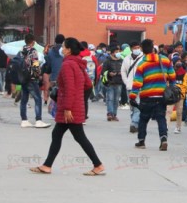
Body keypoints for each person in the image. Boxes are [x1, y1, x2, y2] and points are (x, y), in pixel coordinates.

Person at [29, 38, 105, 176]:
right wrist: (79, 99)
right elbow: (88, 85)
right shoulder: (79, 64)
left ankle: (98, 164)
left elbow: (70, 88)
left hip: (69, 108)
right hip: (73, 105)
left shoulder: (68, 65)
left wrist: (69, 107)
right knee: (57, 134)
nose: (62, 49)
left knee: (79, 137)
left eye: (64, 47)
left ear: (69, 49)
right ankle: (47, 165)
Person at [128, 39, 175, 151]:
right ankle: (163, 139)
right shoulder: (164, 60)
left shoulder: (142, 64)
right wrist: (171, 87)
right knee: (161, 118)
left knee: (143, 119)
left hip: (147, 97)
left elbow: (137, 82)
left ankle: (141, 141)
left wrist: (132, 96)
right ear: (153, 48)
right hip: (161, 96)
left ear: (143, 50)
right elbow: (172, 76)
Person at [18, 34, 50, 129]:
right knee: (37, 99)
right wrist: (38, 76)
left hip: (23, 77)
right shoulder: (32, 51)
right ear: (33, 42)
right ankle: (38, 120)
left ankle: (24, 120)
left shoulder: (21, 51)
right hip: (31, 78)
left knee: (24, 99)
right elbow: (35, 65)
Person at [121, 42, 145, 134]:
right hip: (130, 86)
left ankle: (134, 124)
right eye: (135, 48)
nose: (137, 49)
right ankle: (135, 124)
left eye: (138, 47)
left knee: (138, 106)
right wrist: (126, 82)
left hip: (141, 86)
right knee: (132, 106)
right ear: (131, 49)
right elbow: (123, 71)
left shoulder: (143, 58)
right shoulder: (127, 59)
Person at [171, 52, 187, 134]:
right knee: (168, 111)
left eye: (180, 61)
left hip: (180, 94)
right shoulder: (170, 71)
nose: (179, 62)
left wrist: (182, 92)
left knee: (179, 112)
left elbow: (186, 84)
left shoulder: (184, 72)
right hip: (171, 95)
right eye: (177, 61)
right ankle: (165, 126)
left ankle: (178, 127)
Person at [103, 44, 124, 121]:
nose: (118, 52)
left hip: (119, 82)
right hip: (110, 82)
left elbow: (125, 70)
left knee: (116, 99)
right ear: (112, 53)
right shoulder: (107, 61)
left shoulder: (121, 60)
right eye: (116, 51)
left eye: (118, 51)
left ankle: (114, 114)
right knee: (110, 98)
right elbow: (103, 71)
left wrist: (122, 73)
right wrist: (109, 73)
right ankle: (110, 113)